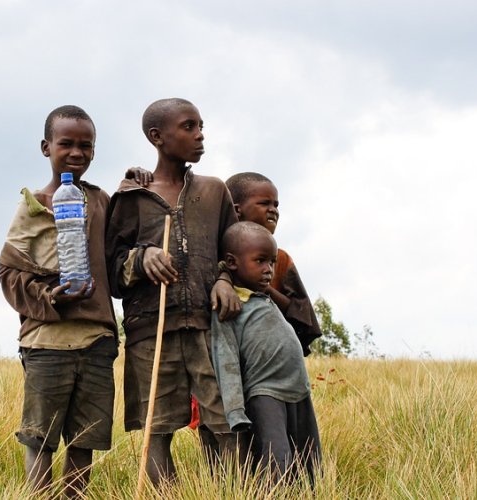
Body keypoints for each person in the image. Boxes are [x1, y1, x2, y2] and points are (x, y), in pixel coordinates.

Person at [105, 97, 241, 486]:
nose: (200, 136)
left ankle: (228, 494)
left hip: (209, 328)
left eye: (201, 126)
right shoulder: (130, 199)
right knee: (157, 430)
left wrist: (223, 280)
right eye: (188, 127)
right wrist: (141, 257)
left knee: (225, 425)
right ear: (157, 137)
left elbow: (232, 254)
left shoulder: (215, 192)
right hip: (152, 331)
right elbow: (112, 273)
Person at [0, 105, 118, 497]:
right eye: (66, 144)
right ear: (46, 147)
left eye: (86, 145)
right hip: (46, 342)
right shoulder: (33, 205)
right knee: (40, 438)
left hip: (97, 340)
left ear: (95, 152)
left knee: (85, 439)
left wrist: (137, 183)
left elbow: (118, 252)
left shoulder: (101, 202)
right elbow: (9, 274)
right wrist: (50, 296)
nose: (77, 153)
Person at [211, 221, 321, 484]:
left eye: (271, 262)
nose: (268, 270)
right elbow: (224, 357)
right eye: (260, 261)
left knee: (310, 462)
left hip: (299, 392)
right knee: (276, 463)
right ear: (232, 262)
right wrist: (236, 411)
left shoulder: (265, 298)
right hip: (264, 393)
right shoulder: (230, 303)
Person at [225, 172, 322, 354]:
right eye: (264, 203)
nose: (273, 210)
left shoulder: (281, 259)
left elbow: (303, 319)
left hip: (268, 354)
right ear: (237, 209)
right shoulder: (215, 252)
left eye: (276, 205)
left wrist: (266, 290)